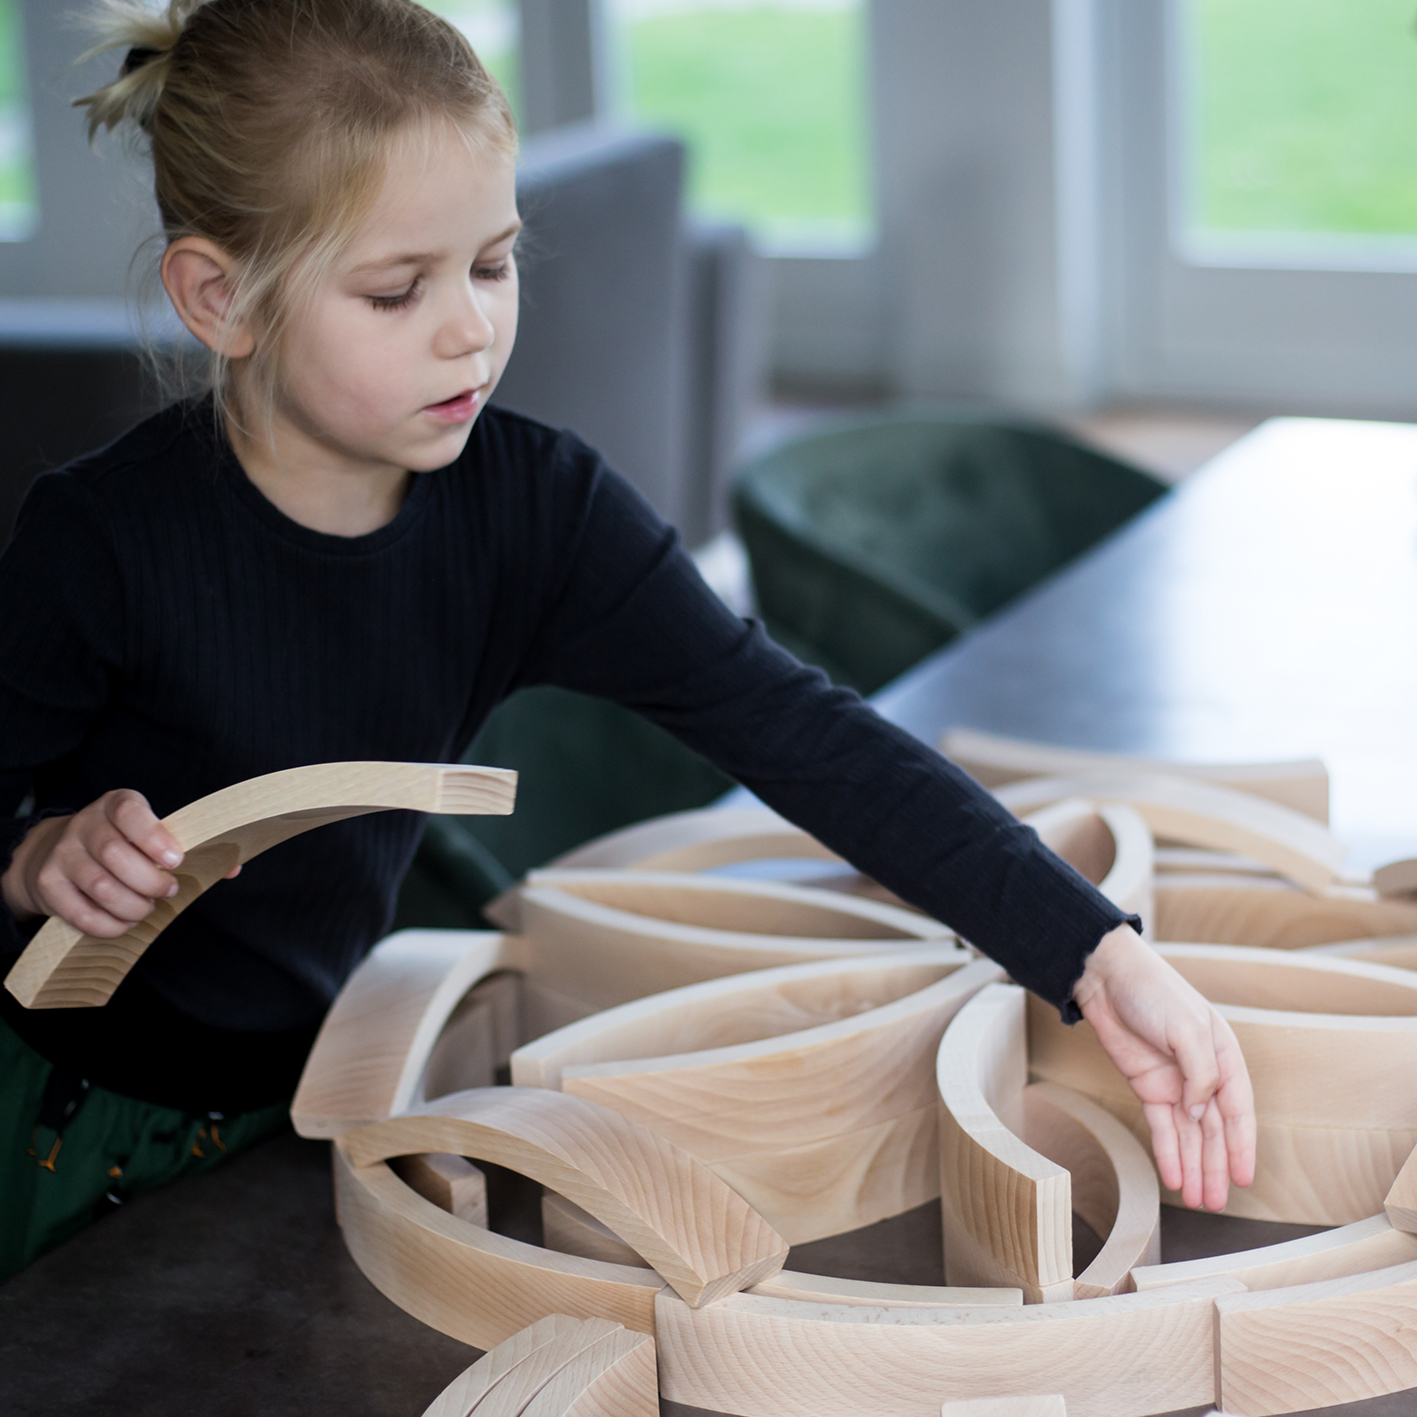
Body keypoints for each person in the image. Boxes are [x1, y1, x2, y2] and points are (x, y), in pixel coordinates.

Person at [0, 0, 1253, 1282]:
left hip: (310, 1089)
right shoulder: (98, 541)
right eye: (396, 290)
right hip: (46, 1108)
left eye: (491, 264)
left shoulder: (535, 511)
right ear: (222, 298)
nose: (468, 329)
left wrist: (1095, 954)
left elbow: (796, 728)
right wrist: (37, 851)